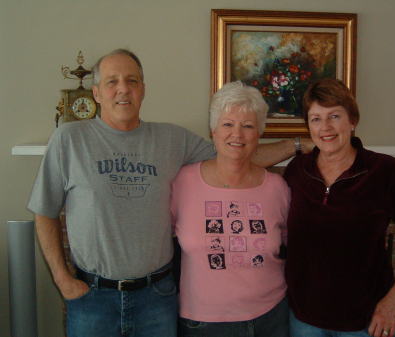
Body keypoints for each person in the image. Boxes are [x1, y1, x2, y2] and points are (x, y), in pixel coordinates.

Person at [27, 49, 302, 337]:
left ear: (143, 90)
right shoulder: (69, 139)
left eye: (132, 80)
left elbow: (235, 154)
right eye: (112, 81)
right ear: (96, 92)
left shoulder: (172, 139)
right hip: (93, 297)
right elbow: (44, 211)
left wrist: (295, 145)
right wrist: (62, 279)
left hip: (156, 299)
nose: (123, 89)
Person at [283, 78, 395, 337]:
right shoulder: (298, 171)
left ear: (352, 120)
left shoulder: (384, 171)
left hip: (366, 322)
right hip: (304, 319)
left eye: (334, 116)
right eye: (316, 118)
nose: (325, 127)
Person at [171, 81, 291, 337]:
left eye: (248, 126)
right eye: (227, 124)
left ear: (258, 134)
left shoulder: (277, 188)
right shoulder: (183, 182)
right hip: (203, 323)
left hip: (271, 318)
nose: (237, 135)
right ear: (213, 131)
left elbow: (294, 246)